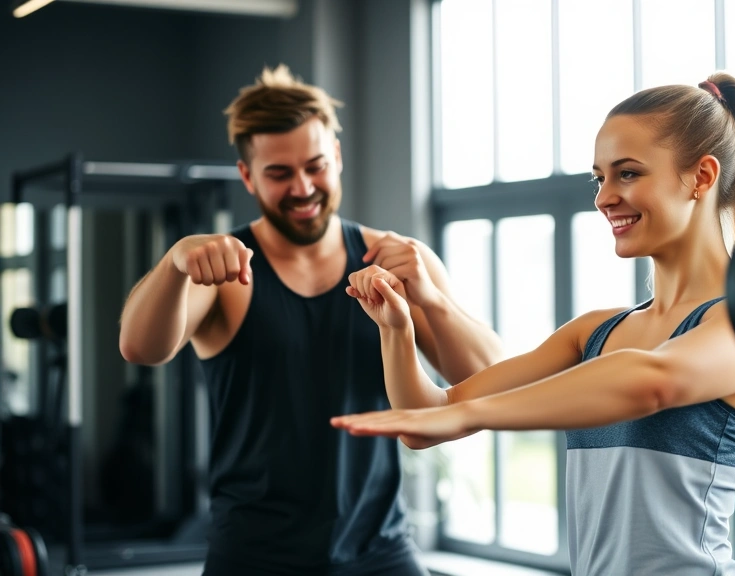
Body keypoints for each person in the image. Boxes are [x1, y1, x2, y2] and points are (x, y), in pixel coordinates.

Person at [334, 73, 735, 575]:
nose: (604, 196)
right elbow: (428, 417)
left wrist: (471, 416)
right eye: (599, 177)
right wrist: (397, 331)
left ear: (702, 176)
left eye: (627, 174)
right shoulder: (594, 333)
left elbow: (653, 381)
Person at [117, 64, 504, 576]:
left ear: (337, 158)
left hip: (380, 550)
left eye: (316, 166)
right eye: (279, 173)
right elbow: (140, 348)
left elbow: (490, 380)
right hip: (253, 557)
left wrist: (431, 299)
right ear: (247, 176)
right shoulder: (225, 271)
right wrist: (172, 265)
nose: (303, 188)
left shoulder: (396, 258)